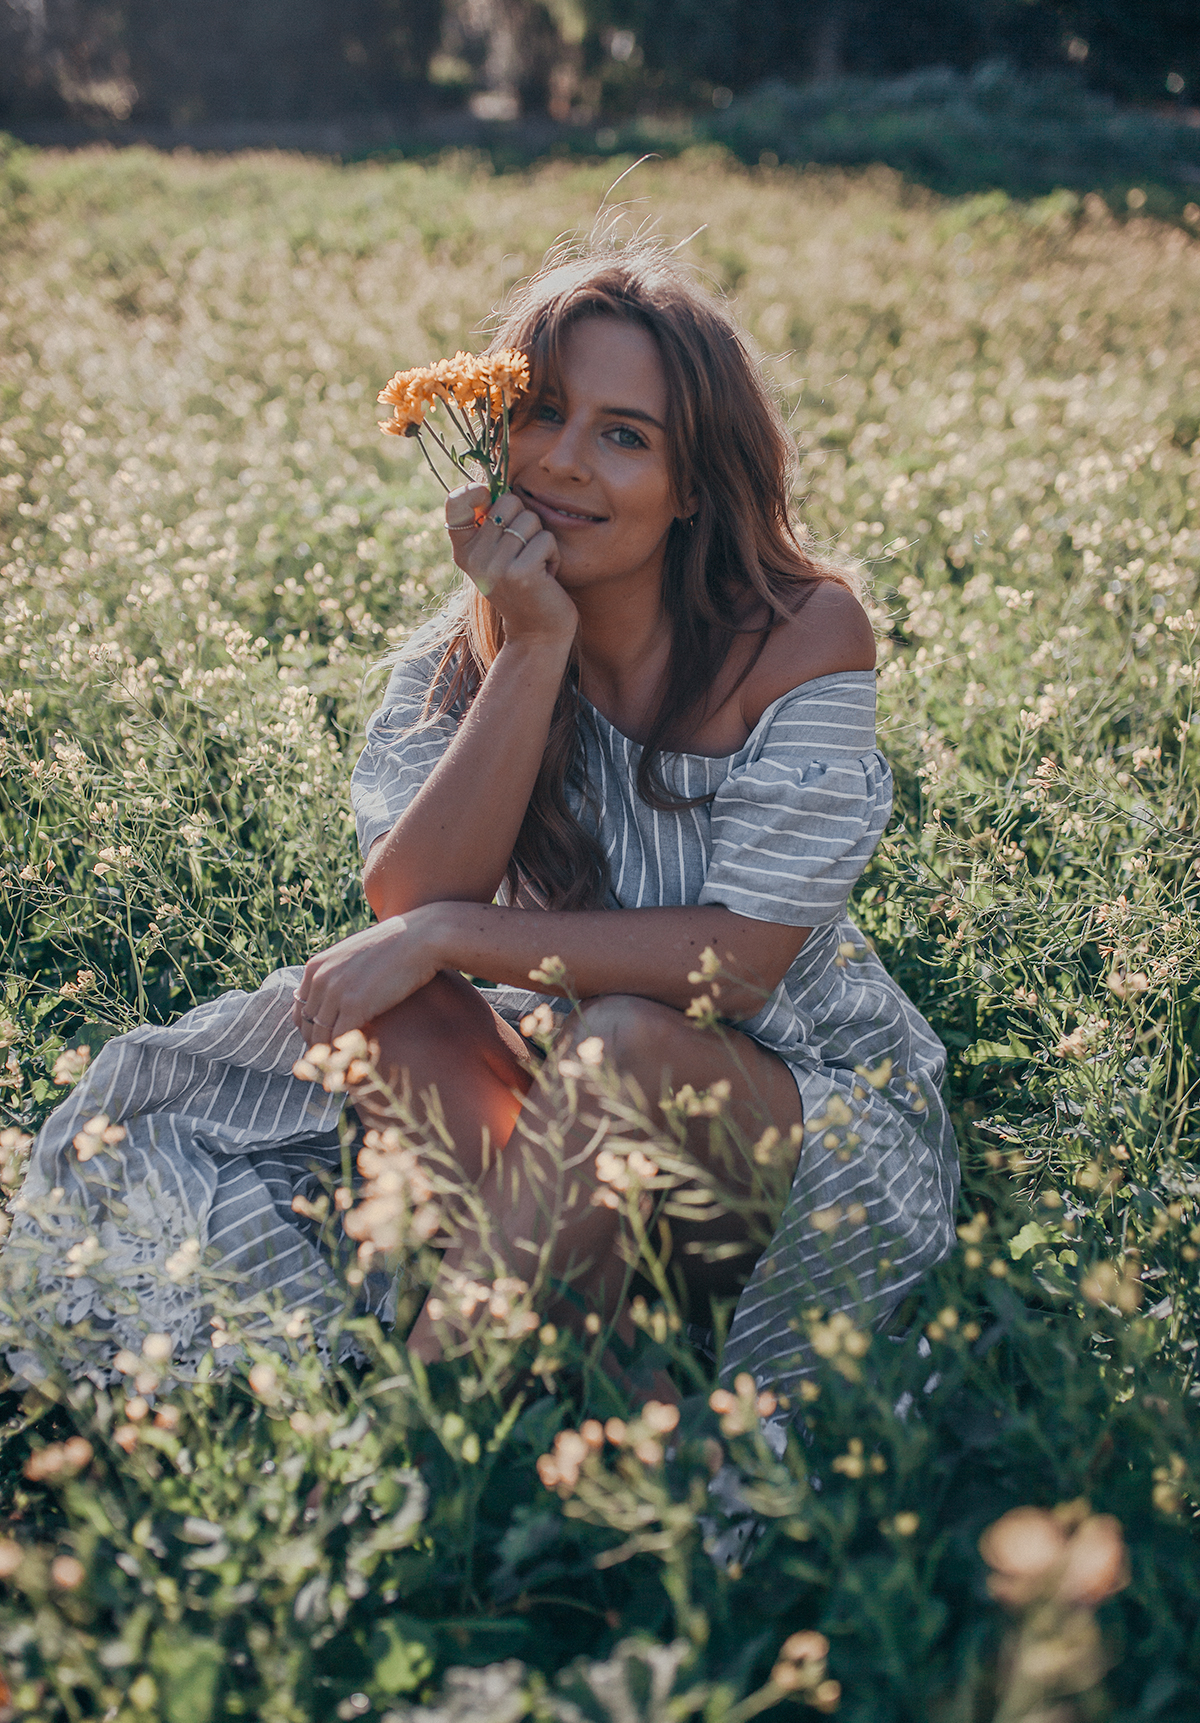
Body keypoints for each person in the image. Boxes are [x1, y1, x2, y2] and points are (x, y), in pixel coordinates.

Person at [7, 245, 958, 1397]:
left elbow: (740, 969)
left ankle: (412, 1453)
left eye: (624, 435)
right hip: (577, 1112)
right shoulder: (464, 662)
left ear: (694, 483)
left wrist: (453, 939)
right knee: (389, 1002)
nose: (559, 463)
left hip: (787, 1129)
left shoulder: (803, 634)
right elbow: (411, 901)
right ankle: (616, 1377)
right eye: (543, 412)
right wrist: (536, 647)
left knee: (620, 1045)